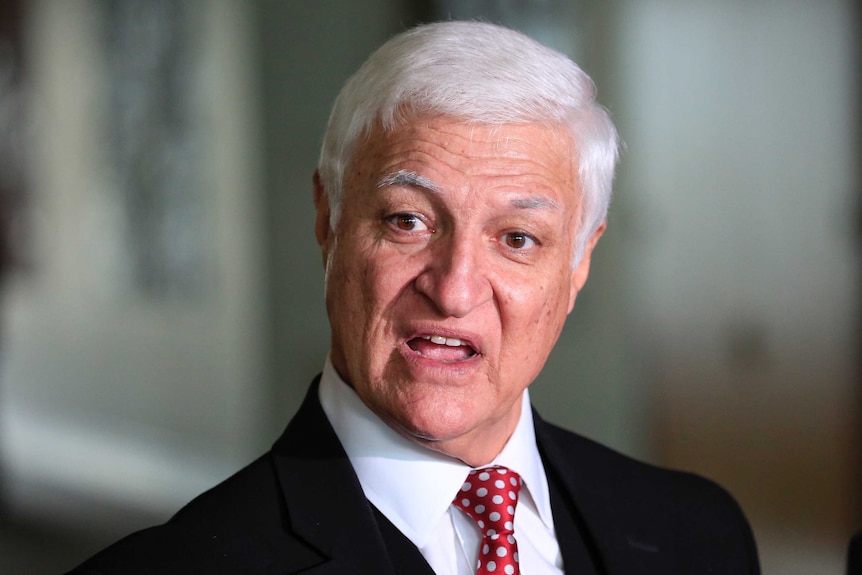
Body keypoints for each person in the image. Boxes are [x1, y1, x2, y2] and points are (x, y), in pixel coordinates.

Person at [67, 21, 760, 574]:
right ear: (327, 218)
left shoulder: (698, 535)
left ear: (580, 262)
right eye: (408, 221)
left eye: (517, 238)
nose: (455, 287)